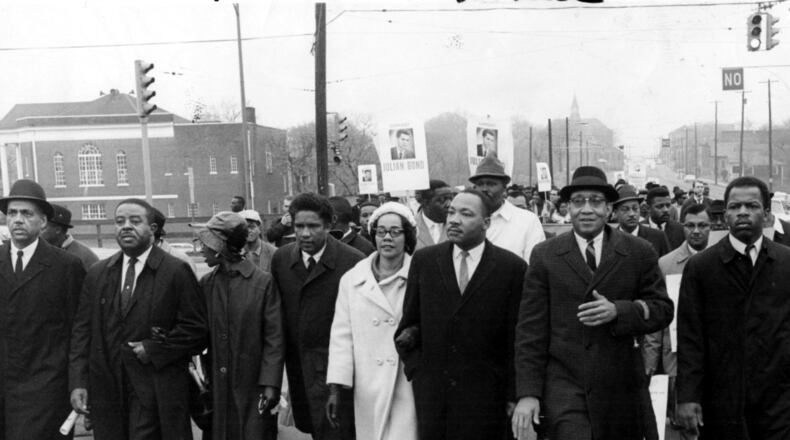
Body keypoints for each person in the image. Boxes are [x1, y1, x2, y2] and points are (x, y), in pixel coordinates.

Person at [512, 166, 673, 440]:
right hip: (565, 385)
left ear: (609, 209)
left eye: (596, 201)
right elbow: (530, 331)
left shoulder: (638, 252)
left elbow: (662, 309)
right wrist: (528, 394)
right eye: (578, 202)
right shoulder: (545, 255)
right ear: (567, 208)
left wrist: (619, 311)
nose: (586, 209)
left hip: (620, 385)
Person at [69, 198, 208, 440]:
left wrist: (155, 348)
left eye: (135, 221)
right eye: (119, 221)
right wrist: (79, 382)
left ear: (152, 230)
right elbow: (82, 332)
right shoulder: (98, 274)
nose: (126, 227)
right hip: (109, 390)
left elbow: (197, 331)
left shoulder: (175, 271)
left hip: (156, 390)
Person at [395, 189, 526, 440]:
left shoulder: (512, 268)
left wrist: (512, 393)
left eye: (466, 214)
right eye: (451, 212)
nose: (454, 219)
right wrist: (420, 373)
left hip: (488, 400)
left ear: (486, 223)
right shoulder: (425, 261)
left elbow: (516, 338)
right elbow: (409, 324)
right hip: (434, 400)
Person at [677, 176, 790, 440]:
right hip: (721, 401)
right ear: (724, 214)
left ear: (766, 213)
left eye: (751, 206)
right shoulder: (702, 267)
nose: (742, 213)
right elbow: (690, 337)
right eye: (734, 207)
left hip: (779, 401)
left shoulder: (786, 263)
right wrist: (687, 397)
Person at [269, 193, 365, 440]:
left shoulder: (353, 261)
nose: (305, 233)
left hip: (337, 372)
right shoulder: (281, 259)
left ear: (329, 225)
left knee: (338, 432)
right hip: (299, 370)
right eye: (299, 226)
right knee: (312, 428)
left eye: (313, 226)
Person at [0, 179, 86, 440]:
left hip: (47, 386)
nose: (17, 220)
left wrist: (78, 382)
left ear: (44, 222)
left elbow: (79, 331)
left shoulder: (66, 267)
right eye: (12, 213)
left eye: (27, 214)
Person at [326, 202, 419, 440]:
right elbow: (341, 336)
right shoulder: (353, 279)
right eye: (381, 231)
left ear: (406, 236)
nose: (387, 238)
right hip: (367, 384)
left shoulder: (421, 274)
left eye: (395, 232)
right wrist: (336, 387)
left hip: (407, 382)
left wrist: (417, 331)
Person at [192, 211, 284, 440]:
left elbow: (275, 338)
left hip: (253, 387)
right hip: (216, 387)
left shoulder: (263, 284)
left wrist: (270, 385)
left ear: (221, 246)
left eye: (206, 243)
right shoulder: (207, 284)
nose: (201, 249)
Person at [643, 203, 711, 440]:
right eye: (690, 225)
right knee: (680, 423)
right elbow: (657, 319)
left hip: (713, 355)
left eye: (702, 225)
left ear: (711, 227)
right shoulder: (666, 264)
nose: (696, 231)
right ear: (682, 227)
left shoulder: (721, 261)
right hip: (674, 356)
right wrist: (650, 361)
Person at [469, 156, 545, 262]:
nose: (484, 189)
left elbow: (535, 268)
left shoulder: (527, 221)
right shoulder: (465, 220)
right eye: (480, 184)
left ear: (504, 188)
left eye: (491, 184)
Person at [613, 185, 670, 257]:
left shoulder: (658, 236)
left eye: (635, 208)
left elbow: (667, 265)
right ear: (615, 212)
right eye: (625, 209)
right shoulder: (609, 240)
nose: (632, 214)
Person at [41, 203, 99, 270]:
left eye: (44, 228)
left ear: (57, 230)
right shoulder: (39, 250)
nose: (39, 230)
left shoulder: (85, 256)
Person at [151, 207, 198, 275]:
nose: (130, 228)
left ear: (153, 229)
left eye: (136, 223)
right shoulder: (134, 260)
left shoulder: (181, 260)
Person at [414, 179, 453, 250]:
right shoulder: (410, 226)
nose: (449, 204)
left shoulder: (457, 225)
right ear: (425, 202)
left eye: (450, 199)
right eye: (442, 200)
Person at [645, 186, 685, 250]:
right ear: (648, 208)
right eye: (660, 206)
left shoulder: (680, 230)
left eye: (668, 205)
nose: (666, 210)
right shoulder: (639, 229)